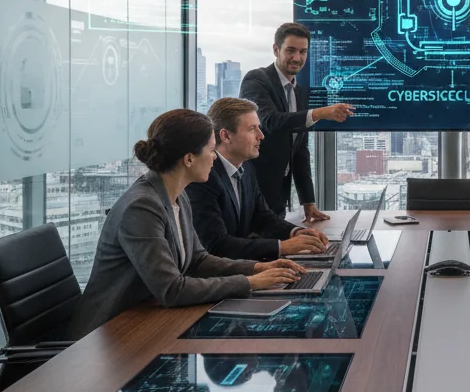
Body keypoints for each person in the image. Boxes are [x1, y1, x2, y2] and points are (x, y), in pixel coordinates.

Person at [69, 109, 308, 338]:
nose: (215, 157)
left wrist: (257, 268)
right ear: (189, 159)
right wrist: (248, 283)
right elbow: (171, 290)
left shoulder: (177, 195)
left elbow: (198, 259)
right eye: (212, 150)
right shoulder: (141, 207)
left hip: (148, 320)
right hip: (108, 335)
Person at [186, 97, 329, 261]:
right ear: (226, 136)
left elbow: (262, 216)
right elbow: (216, 245)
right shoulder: (203, 177)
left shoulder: (246, 167)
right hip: (216, 277)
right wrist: (282, 247)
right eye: (252, 129)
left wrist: (296, 232)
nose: (261, 136)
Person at [240, 22, 355, 220]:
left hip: (279, 194)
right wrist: (318, 113)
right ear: (276, 50)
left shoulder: (300, 93)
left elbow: (300, 151)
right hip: (253, 189)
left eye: (303, 52)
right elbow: (270, 122)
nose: (297, 58)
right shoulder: (257, 80)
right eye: (291, 50)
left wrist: (308, 203)